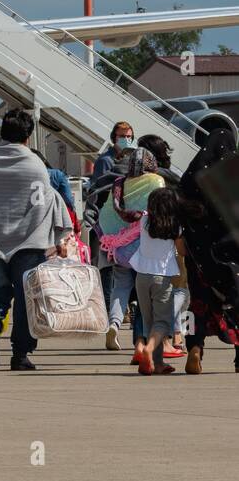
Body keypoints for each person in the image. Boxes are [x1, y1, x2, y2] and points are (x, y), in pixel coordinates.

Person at [0, 109, 71, 371]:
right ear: (28, 136)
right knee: (26, 296)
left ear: (1, 133)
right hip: (30, 243)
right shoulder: (35, 165)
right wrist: (59, 235)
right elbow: (46, 202)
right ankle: (20, 354)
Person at [177, 130, 239, 374]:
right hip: (231, 258)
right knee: (235, 304)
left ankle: (194, 347)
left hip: (198, 257)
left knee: (197, 304)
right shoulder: (233, 175)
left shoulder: (191, 178)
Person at [98, 147, 167, 364]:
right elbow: (161, 211)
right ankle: (142, 340)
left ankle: (114, 325)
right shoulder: (156, 181)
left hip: (120, 246)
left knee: (120, 287)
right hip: (144, 246)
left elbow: (107, 215)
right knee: (144, 296)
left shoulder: (119, 183)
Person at [88, 121, 136, 346]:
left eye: (128, 135)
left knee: (121, 279)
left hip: (125, 228)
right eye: (121, 135)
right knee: (111, 275)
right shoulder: (106, 161)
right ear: (113, 137)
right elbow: (98, 190)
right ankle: (112, 317)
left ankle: (116, 321)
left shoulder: (135, 158)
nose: (126, 138)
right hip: (113, 227)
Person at [131, 188, 188, 375]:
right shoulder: (176, 226)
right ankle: (148, 350)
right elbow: (183, 251)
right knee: (163, 322)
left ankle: (155, 363)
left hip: (141, 276)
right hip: (162, 277)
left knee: (149, 321)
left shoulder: (144, 221)